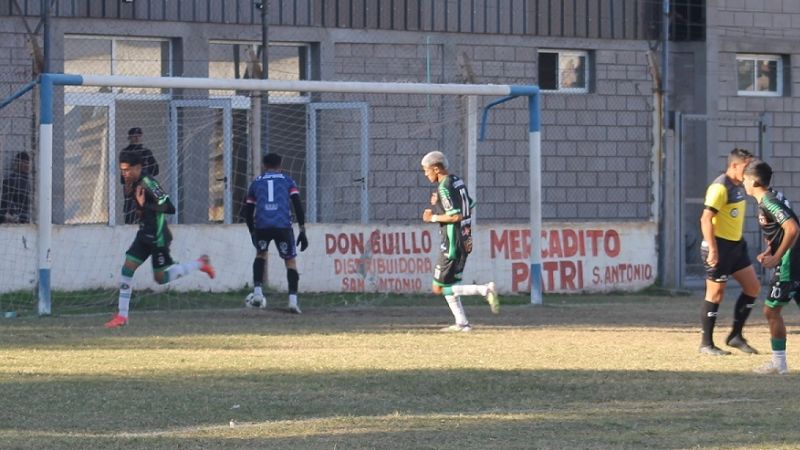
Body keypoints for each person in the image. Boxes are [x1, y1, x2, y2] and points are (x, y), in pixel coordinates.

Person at [105, 152, 215, 328]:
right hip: (144, 234)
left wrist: (144, 205)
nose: (124, 173)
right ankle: (122, 316)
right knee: (127, 269)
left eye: (127, 170)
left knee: (161, 279)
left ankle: (200, 263)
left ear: (138, 168)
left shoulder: (149, 183)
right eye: (122, 170)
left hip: (158, 236)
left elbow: (169, 207)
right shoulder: (131, 182)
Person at [420, 150, 499, 332]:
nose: (426, 174)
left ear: (436, 169)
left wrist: (433, 217)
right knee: (451, 284)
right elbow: (469, 205)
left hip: (452, 242)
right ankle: (462, 323)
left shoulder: (444, 187)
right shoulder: (457, 180)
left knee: (438, 288)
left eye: (426, 170)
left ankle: (484, 290)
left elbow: (455, 216)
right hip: (465, 239)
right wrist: (439, 202)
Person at [698, 148, 760, 355]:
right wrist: (713, 250)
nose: (749, 170)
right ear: (734, 165)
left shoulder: (741, 185)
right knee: (715, 294)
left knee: (752, 287)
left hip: (736, 245)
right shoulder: (720, 187)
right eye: (746, 166)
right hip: (719, 246)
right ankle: (706, 344)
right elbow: (706, 218)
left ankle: (735, 336)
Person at [743, 160, 798, 374]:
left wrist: (776, 257)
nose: (743, 184)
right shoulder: (773, 197)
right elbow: (783, 231)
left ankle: (779, 364)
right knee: (772, 310)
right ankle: (779, 363)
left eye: (745, 179)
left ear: (755, 180)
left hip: (790, 261)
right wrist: (770, 250)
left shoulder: (769, 201)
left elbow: (792, 228)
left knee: (771, 310)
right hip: (794, 257)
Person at [241, 153, 308, 314]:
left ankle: (257, 293)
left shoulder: (256, 182)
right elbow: (297, 204)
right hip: (282, 225)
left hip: (262, 225)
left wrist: (252, 232)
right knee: (290, 262)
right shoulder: (287, 180)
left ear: (264, 166)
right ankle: (292, 301)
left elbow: (248, 211)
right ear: (281, 165)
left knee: (260, 255)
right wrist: (302, 229)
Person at [120, 127, 159, 224]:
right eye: (134, 136)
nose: (137, 138)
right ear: (130, 138)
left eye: (138, 136)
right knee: (131, 211)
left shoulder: (146, 152)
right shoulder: (125, 152)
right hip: (131, 184)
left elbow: (155, 169)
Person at [0, 152, 31, 224]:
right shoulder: (10, 179)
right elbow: (5, 200)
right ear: (17, 163)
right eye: (24, 162)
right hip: (13, 217)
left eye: (28, 163)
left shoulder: (27, 180)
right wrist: (11, 214)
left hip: (24, 216)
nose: (27, 165)